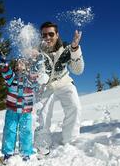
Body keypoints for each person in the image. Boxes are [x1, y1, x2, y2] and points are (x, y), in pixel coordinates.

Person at [34, 21, 84, 155]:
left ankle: (70, 140)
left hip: (64, 81)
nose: (48, 37)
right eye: (44, 35)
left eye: (51, 34)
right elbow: (33, 73)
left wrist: (75, 49)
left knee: (74, 106)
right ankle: (43, 144)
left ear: (57, 34)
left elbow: (78, 70)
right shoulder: (37, 51)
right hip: (46, 86)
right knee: (43, 114)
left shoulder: (66, 48)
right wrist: (31, 59)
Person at [0, 47, 37, 163]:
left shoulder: (30, 79)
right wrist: (3, 62)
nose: (20, 64)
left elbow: (36, 74)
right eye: (18, 62)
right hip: (12, 111)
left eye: (23, 62)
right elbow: (6, 72)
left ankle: (26, 153)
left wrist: (35, 60)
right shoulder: (11, 79)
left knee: (26, 132)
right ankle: (8, 153)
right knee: (10, 130)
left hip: (26, 112)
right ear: (16, 66)